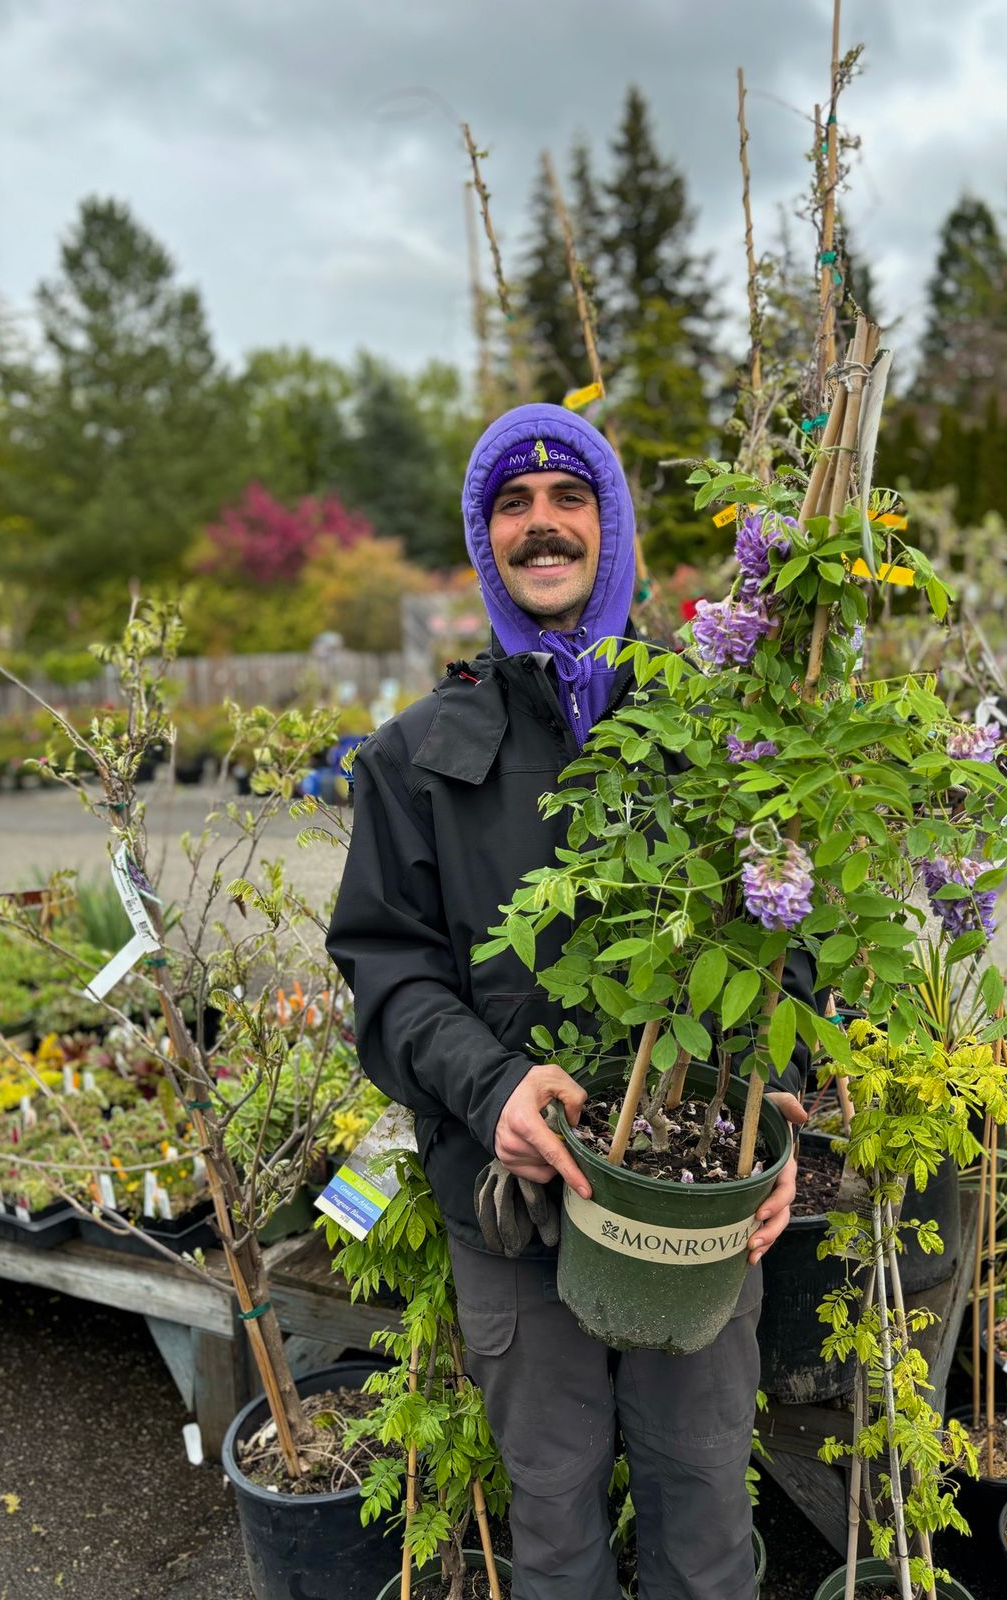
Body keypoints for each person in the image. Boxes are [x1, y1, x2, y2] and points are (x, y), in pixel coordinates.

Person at [327, 402, 809, 1600]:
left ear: (613, 526)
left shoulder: (709, 739)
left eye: (569, 498)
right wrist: (491, 1089)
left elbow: (785, 954)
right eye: (511, 504)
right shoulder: (413, 760)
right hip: (514, 1215)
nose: (541, 525)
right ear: (486, 543)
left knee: (704, 1510)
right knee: (551, 1527)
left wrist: (781, 1116)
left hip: (691, 1211)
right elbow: (385, 969)